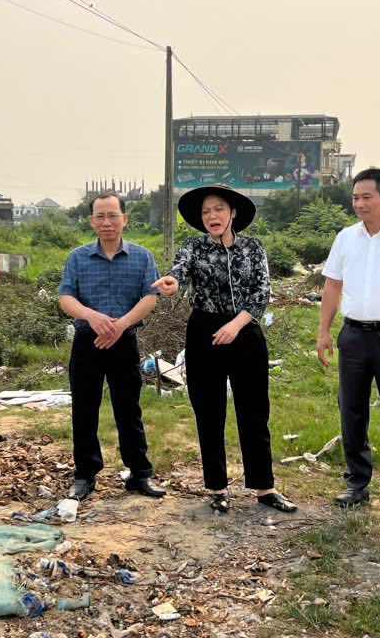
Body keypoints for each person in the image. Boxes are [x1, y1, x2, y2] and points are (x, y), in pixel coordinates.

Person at [153, 185, 297, 514]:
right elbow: (180, 272)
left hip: (244, 332)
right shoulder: (193, 247)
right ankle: (216, 488)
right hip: (204, 331)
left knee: (254, 412)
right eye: (206, 212)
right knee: (209, 411)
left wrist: (235, 325)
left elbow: (261, 293)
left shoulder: (252, 248)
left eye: (218, 209)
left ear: (232, 213)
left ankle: (265, 488)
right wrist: (171, 283)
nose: (212, 216)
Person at [317, 168, 380, 513]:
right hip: (354, 335)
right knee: (352, 410)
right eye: (355, 197)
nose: (359, 204)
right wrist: (324, 331)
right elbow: (332, 285)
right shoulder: (346, 238)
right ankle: (357, 483)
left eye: (367, 197)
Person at [58, 192, 166, 501]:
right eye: (100, 217)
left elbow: (150, 298)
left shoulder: (143, 257)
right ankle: (84, 474)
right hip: (87, 342)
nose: (107, 222)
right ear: (92, 221)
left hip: (125, 342)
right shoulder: (78, 257)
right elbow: (66, 297)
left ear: (124, 220)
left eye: (113, 216)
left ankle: (139, 474)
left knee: (128, 409)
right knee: (84, 408)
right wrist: (91, 316)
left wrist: (120, 325)